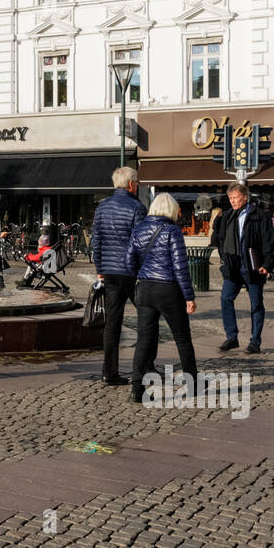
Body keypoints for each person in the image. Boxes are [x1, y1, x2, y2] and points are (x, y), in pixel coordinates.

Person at [125, 193, 197, 404]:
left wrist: (142, 273)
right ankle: (193, 384)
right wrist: (189, 296)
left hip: (146, 288)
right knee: (182, 339)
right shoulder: (172, 231)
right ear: (171, 211)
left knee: (144, 340)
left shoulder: (138, 229)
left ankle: (137, 389)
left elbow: (129, 262)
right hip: (168, 289)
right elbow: (180, 267)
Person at [91, 166, 147, 386]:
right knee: (147, 318)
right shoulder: (137, 207)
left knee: (112, 323)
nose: (138, 185)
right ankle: (144, 367)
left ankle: (109, 371)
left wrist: (100, 267)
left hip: (110, 272)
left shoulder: (102, 207)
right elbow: (140, 244)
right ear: (131, 184)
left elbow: (96, 241)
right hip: (131, 273)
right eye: (137, 182)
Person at [210, 182, 274, 354]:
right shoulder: (227, 216)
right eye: (230, 198)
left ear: (245, 197)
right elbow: (221, 239)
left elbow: (269, 241)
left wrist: (268, 264)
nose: (232, 201)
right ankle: (232, 337)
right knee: (225, 299)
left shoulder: (259, 216)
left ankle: (255, 342)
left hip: (252, 266)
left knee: (256, 304)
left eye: (235, 198)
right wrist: (224, 258)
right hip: (233, 266)